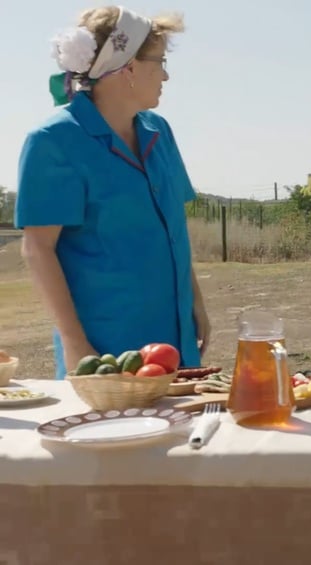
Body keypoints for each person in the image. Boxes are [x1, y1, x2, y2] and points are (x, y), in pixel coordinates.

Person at [15, 6, 208, 379]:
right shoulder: (54, 142)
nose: (166, 74)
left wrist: (195, 303)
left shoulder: (160, 132)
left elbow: (173, 231)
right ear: (128, 68)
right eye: (160, 62)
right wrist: (74, 344)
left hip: (175, 343)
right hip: (105, 350)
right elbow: (38, 249)